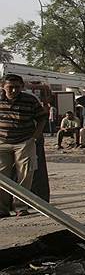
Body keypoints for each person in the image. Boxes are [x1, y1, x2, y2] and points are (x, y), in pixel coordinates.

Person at [0, 74, 47, 216]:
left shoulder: (30, 100)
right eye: (10, 87)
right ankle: (2, 208)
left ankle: (20, 207)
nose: (14, 91)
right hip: (2, 142)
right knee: (2, 176)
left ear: (22, 87)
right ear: (3, 87)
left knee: (26, 175)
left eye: (17, 87)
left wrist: (34, 138)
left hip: (24, 141)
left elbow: (42, 118)